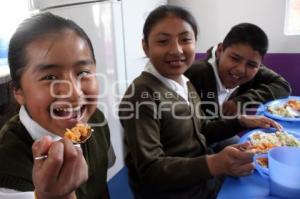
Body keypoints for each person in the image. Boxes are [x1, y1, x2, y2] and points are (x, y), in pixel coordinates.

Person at [118, 5, 281, 199]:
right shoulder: (141, 95)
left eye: (185, 39)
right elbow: (150, 170)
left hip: (202, 180)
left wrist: (240, 121)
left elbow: (202, 129)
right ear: (146, 46)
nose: (177, 50)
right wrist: (214, 163)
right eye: (163, 41)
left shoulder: (183, 83)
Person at [0, 12, 115, 199]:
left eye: (83, 72)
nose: (74, 92)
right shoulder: (7, 165)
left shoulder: (96, 120)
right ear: (18, 91)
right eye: (50, 77)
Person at [185, 23, 291, 118]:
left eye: (251, 64)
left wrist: (241, 101)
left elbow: (283, 86)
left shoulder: (253, 68)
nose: (240, 70)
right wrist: (240, 123)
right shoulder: (195, 74)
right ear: (220, 50)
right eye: (235, 59)